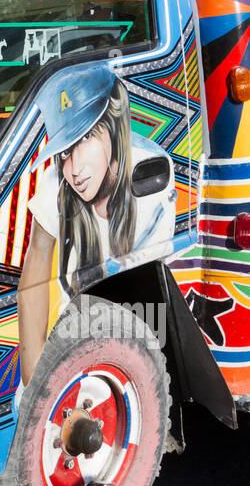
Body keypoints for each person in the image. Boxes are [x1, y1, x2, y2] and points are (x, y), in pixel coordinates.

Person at [17, 62, 176, 389]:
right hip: (70, 340)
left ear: (114, 130)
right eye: (64, 150)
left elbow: (148, 310)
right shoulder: (56, 182)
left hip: (125, 344)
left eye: (86, 137)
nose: (73, 169)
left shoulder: (151, 177)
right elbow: (32, 279)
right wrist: (35, 387)